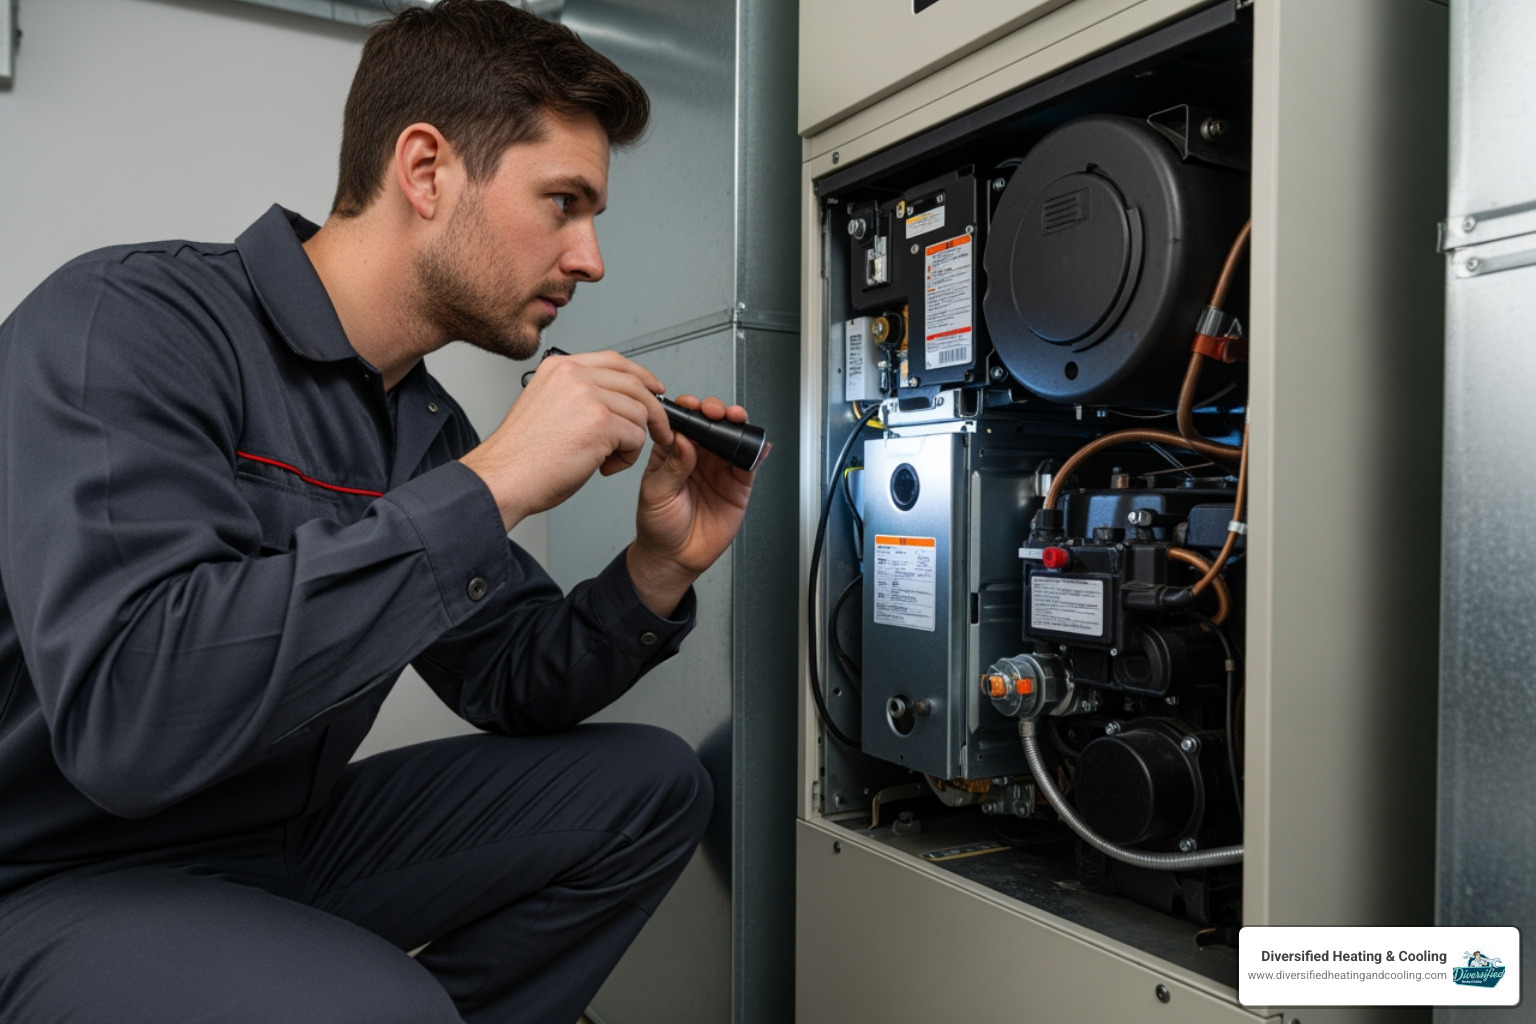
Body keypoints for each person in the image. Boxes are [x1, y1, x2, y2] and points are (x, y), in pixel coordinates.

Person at [0, 3, 756, 1022]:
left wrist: (658, 569)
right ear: (426, 169)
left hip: (284, 839)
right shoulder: (127, 323)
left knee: (655, 788)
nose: (591, 259)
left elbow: (507, 678)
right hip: (58, 869)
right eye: (562, 202)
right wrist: (494, 482)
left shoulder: (421, 427)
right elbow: (130, 717)